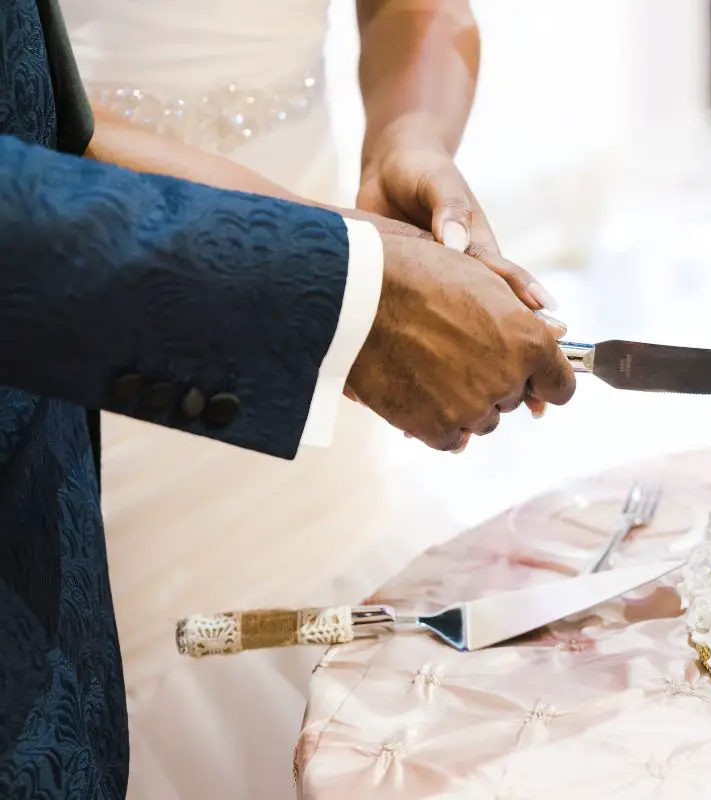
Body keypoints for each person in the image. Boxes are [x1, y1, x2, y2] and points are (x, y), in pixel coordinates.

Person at [0, 2, 577, 799]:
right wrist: (342, 280)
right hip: (112, 400)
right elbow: (39, 139)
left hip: (324, 460)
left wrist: (409, 135)